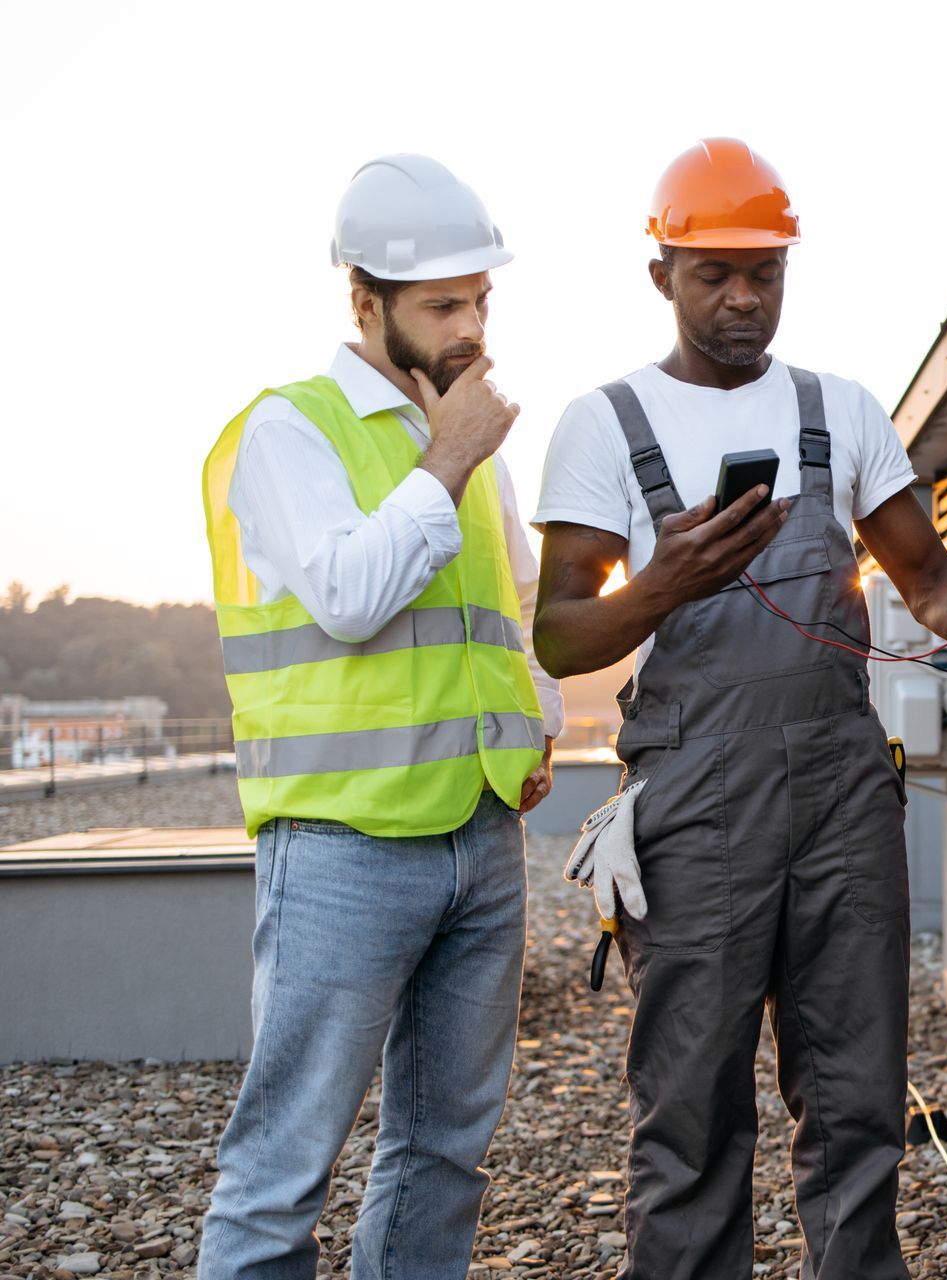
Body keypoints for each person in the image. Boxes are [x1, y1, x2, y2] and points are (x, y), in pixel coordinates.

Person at [531, 137, 947, 1280]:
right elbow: (556, 631)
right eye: (715, 274)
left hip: (843, 795)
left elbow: (937, 588)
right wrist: (664, 582)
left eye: (766, 271)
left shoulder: (839, 411)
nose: (744, 298)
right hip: (695, 799)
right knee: (691, 1111)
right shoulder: (605, 426)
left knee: (855, 1098)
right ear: (663, 274)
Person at [197, 153, 564, 1279]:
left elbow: (516, 599)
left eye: (481, 300)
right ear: (366, 302)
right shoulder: (287, 432)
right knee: (281, 1172)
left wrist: (538, 717)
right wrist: (447, 457)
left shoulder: (467, 442)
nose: (471, 327)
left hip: (479, 836)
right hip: (341, 849)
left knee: (444, 1152)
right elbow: (353, 598)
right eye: (443, 304)